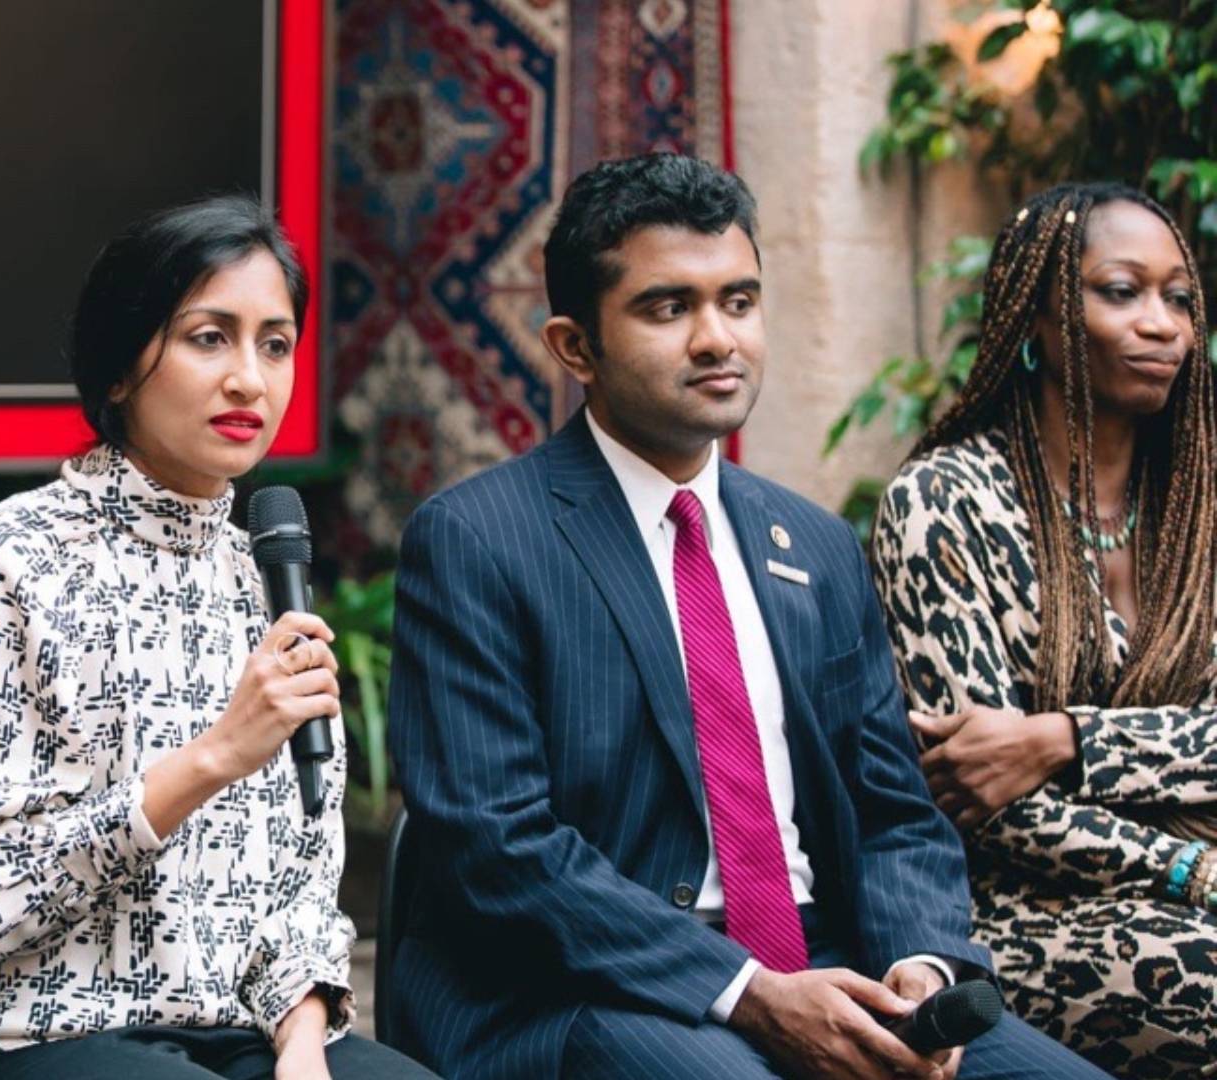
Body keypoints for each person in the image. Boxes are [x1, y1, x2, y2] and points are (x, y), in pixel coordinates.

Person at [384, 153, 1108, 1079]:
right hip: (577, 990)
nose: (718, 339)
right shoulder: (476, 540)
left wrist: (920, 970)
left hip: (826, 966)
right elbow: (499, 847)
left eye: (739, 300)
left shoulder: (814, 544)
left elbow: (895, 814)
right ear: (574, 347)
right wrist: (748, 991)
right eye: (667, 308)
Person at [0, 195, 436, 1080]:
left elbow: (304, 879)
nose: (250, 379)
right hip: (40, 1031)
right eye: (208, 337)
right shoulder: (13, 560)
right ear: (120, 370)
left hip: (246, 1036)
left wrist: (304, 1046)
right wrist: (212, 759)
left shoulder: (268, 576)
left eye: (274, 344)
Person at [873, 182, 1217, 1076]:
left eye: (1179, 297)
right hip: (1028, 912)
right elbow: (980, 794)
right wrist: (1188, 871)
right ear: (1038, 316)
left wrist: (1066, 739)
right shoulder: (943, 504)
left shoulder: (1198, 509)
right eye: (1121, 291)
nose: (1163, 324)